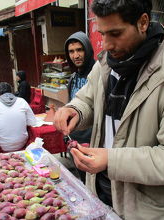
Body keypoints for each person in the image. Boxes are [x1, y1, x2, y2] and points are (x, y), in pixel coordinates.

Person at [53, 0, 164, 219]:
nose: (106, 44)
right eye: (102, 34)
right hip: (101, 194)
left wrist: (111, 160)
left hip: (147, 210)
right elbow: (88, 100)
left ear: (143, 22)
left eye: (115, 33)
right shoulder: (105, 64)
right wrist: (75, 110)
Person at [64, 31, 95, 183]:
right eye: (71, 51)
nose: (76, 55)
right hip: (75, 140)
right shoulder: (73, 78)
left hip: (94, 141)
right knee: (83, 180)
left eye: (79, 50)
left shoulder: (99, 75)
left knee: (96, 182)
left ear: (88, 50)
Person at [0, 82, 36, 152]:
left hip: (2, 145)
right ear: (11, 91)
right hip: (23, 142)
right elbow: (32, 122)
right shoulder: (22, 101)